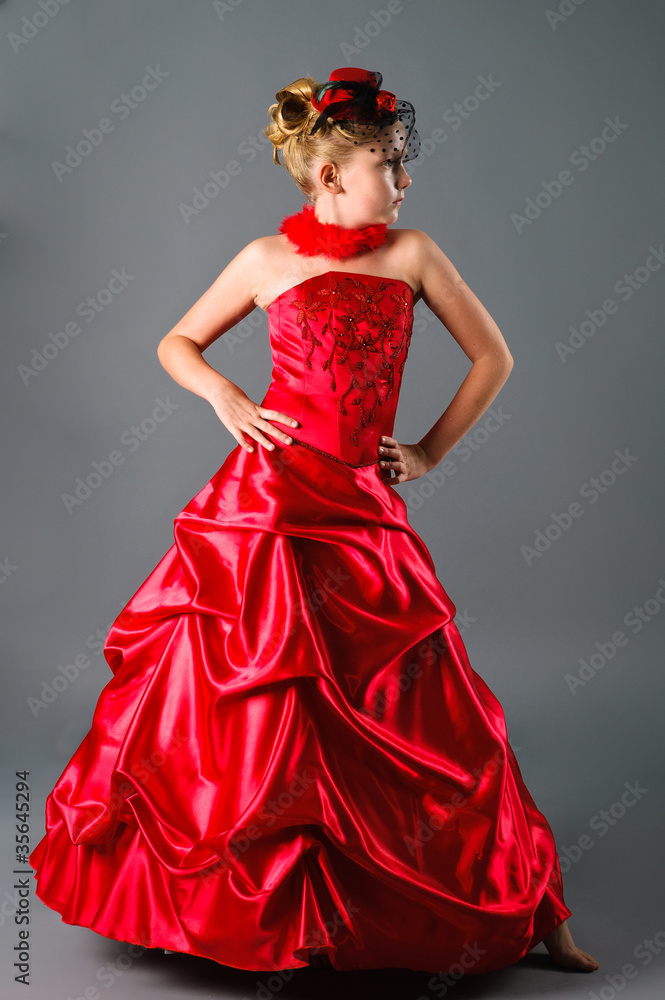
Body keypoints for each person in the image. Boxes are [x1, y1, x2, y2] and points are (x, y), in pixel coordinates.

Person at [28, 67, 599, 976]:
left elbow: (493, 355)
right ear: (330, 175)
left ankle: (526, 907)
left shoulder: (411, 254)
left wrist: (427, 452)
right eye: (387, 164)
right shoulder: (264, 260)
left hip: (357, 504)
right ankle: (256, 916)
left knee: (432, 703)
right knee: (259, 702)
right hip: (267, 504)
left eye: (402, 166)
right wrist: (224, 395)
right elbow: (177, 341)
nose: (403, 182)